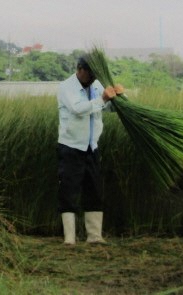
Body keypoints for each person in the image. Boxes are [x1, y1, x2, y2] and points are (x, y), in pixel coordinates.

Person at [56, 55, 123, 245]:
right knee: (69, 189)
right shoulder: (66, 87)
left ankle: (94, 236)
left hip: (91, 146)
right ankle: (70, 238)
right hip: (71, 146)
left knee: (94, 189)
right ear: (80, 69)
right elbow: (78, 109)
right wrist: (102, 99)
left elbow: (108, 108)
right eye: (91, 73)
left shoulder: (95, 85)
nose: (94, 77)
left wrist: (118, 96)